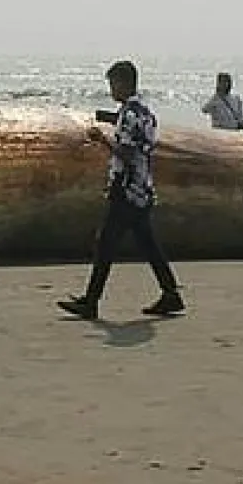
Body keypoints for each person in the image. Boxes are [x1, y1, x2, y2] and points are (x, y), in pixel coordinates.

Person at [57, 60, 185, 320]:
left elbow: (126, 152)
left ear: (124, 83)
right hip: (142, 188)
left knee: (105, 244)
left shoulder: (129, 114)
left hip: (126, 189)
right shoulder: (144, 112)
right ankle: (171, 294)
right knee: (147, 244)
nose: (111, 89)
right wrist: (103, 117)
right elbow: (132, 129)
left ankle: (91, 302)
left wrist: (101, 139)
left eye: (113, 84)